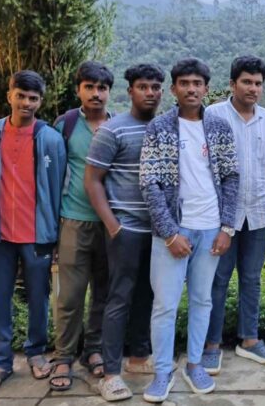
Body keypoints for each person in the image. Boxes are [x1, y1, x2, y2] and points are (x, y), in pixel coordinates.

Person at [139, 58, 240, 400]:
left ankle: (194, 363)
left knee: (202, 300)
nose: (191, 89)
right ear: (174, 89)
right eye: (184, 83)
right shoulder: (160, 128)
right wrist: (170, 233)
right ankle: (162, 371)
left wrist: (227, 228)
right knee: (165, 305)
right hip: (172, 232)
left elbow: (231, 177)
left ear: (206, 88)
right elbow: (150, 183)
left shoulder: (219, 127)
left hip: (211, 228)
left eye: (197, 83)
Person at [0, 70, 66, 394]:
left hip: (38, 235)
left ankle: (36, 352)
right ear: (10, 96)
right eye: (21, 95)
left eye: (33, 98)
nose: (26, 103)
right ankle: (1, 362)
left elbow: (60, 190)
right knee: (0, 299)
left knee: (38, 298)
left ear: (40, 101)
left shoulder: (51, 139)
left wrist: (59, 237)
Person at [85, 64, 163, 401]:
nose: (150, 93)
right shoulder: (112, 130)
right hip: (126, 229)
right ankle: (111, 373)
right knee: (119, 298)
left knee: (148, 294)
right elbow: (92, 180)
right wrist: (112, 225)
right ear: (130, 91)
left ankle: (139, 357)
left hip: (157, 231)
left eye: (155, 87)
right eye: (143, 87)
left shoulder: (164, 128)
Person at [204, 55, 265, 372]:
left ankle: (249, 340)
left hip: (259, 212)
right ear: (232, 84)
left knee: (251, 278)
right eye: (246, 82)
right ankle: (211, 344)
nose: (253, 88)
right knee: (218, 279)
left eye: (258, 83)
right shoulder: (213, 115)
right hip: (222, 215)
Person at [49, 61, 114, 391]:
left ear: (109, 92)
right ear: (78, 90)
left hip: (109, 223)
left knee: (103, 291)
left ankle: (93, 350)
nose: (96, 94)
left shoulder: (117, 126)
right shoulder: (66, 125)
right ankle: (63, 356)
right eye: (89, 87)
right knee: (70, 295)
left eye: (102, 88)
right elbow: (53, 173)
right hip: (73, 220)